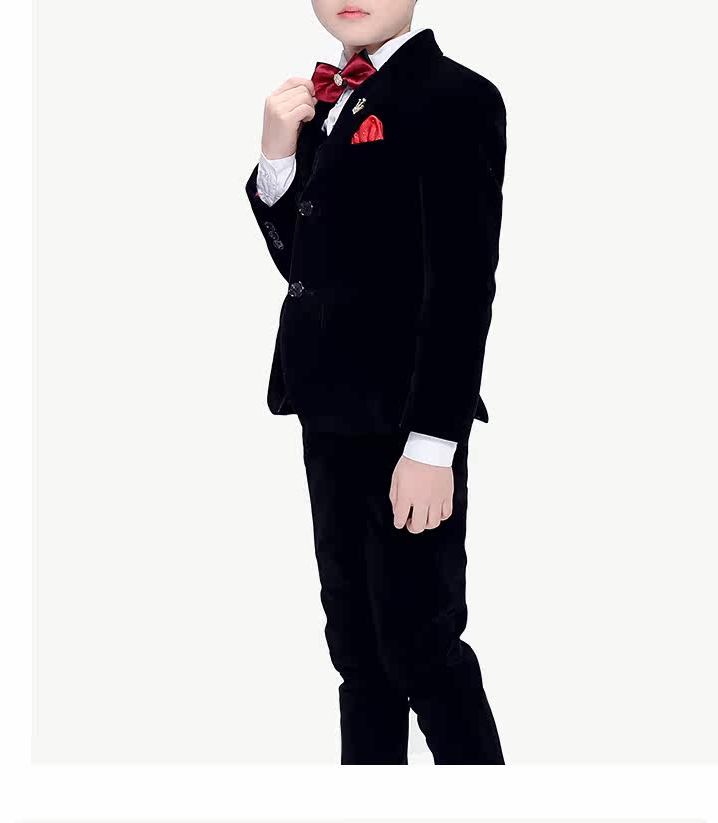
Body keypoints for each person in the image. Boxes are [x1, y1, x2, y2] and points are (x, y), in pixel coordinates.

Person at [244, 0, 506, 765]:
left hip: (406, 422)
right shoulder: (327, 103)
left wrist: (434, 444)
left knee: (423, 648)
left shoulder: (457, 97)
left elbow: (462, 287)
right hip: (326, 411)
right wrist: (276, 161)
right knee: (357, 653)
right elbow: (309, 264)